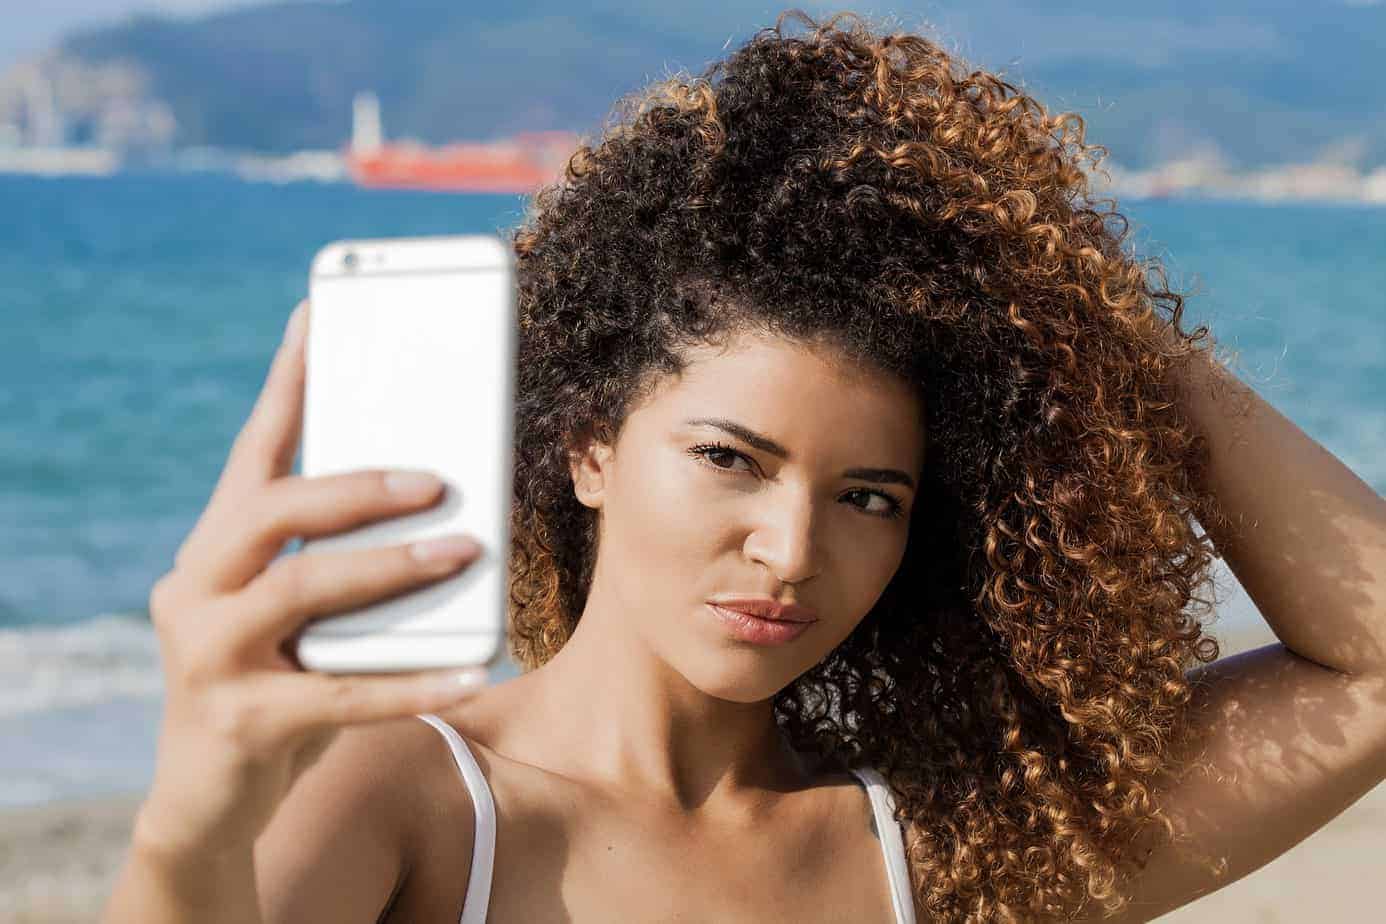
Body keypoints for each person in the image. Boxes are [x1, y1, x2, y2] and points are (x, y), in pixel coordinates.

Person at [102, 10, 1386, 923]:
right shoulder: (408, 798)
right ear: (587, 444)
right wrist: (190, 818)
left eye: (868, 497)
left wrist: (1074, 312)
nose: (791, 548)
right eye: (729, 457)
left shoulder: (937, 856)